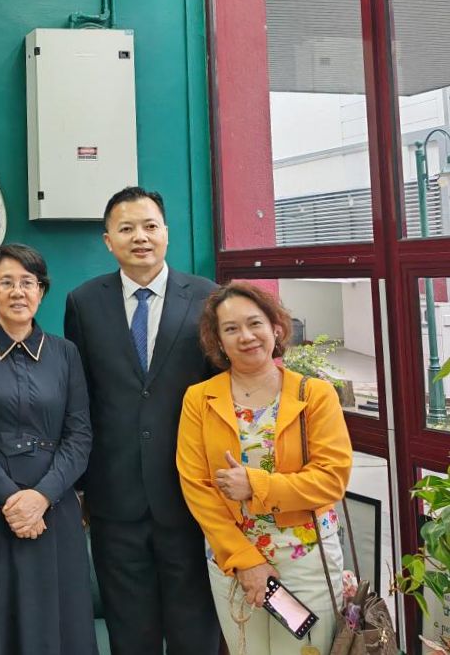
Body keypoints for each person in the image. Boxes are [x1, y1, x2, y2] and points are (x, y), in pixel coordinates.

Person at [64, 186, 221, 654]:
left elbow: (220, 395)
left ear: (166, 232)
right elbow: (81, 399)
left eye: (150, 226)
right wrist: (82, 486)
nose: (140, 237)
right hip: (115, 500)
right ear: (107, 240)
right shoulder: (83, 302)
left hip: (191, 496)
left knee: (196, 632)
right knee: (130, 634)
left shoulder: (208, 297)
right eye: (127, 228)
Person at [177, 281, 352, 655]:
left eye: (254, 323)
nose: (246, 336)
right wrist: (245, 562)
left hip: (306, 557)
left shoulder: (314, 394)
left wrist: (254, 485)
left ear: (276, 327)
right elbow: (197, 487)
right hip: (232, 560)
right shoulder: (199, 399)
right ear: (218, 341)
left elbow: (331, 479)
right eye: (231, 329)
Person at [0, 243, 95, 654]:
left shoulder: (66, 353)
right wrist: (12, 500)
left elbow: (80, 435)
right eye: (5, 282)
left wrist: (41, 498)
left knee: (55, 618)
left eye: (28, 282)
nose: (17, 291)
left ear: (42, 290)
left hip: (53, 501)